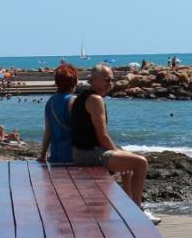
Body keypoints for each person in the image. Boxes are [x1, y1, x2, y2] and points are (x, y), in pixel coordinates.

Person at [70, 64, 154, 219]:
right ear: (94, 79)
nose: (111, 83)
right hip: (89, 154)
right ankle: (138, 211)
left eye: (112, 80)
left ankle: (131, 206)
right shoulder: (95, 99)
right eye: (107, 79)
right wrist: (117, 154)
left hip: (79, 152)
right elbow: (102, 136)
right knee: (141, 163)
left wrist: (120, 155)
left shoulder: (80, 98)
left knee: (128, 160)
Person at [39, 62, 80, 163]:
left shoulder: (50, 102)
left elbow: (48, 132)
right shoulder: (73, 101)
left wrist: (43, 155)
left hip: (55, 155)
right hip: (72, 155)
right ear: (74, 82)